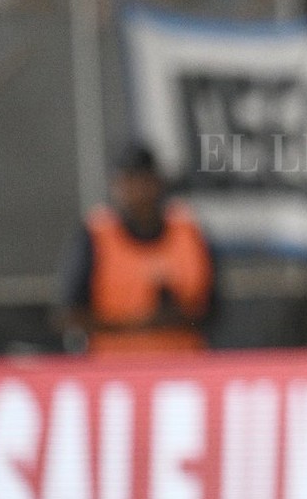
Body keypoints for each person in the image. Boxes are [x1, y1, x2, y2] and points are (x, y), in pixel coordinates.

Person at [59, 143, 216, 355]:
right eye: (129, 182)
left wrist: (177, 316)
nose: (139, 192)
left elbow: (213, 309)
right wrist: (140, 323)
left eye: (145, 181)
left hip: (183, 363)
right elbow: (69, 314)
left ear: (158, 183)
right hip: (115, 366)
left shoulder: (187, 230)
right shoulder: (97, 234)